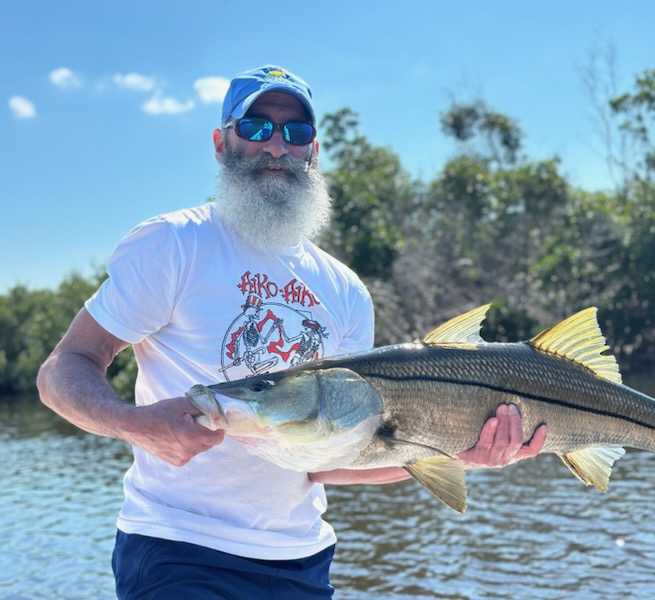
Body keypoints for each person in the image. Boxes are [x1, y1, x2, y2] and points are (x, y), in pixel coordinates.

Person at [37, 64, 548, 599]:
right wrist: (133, 424)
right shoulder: (173, 244)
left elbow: (339, 461)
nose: (276, 146)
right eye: (256, 127)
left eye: (295, 132)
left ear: (313, 152)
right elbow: (63, 369)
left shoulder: (345, 289)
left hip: (300, 562)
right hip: (177, 550)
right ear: (221, 142)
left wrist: (456, 451)